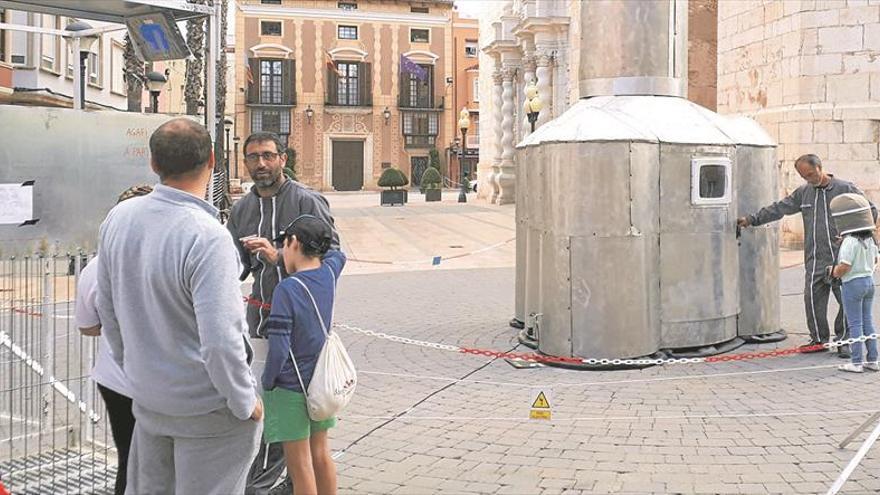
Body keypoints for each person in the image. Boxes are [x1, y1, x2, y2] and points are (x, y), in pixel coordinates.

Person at [96, 118, 262, 495]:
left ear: (153, 163)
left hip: (151, 401)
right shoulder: (207, 237)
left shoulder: (119, 219)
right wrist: (244, 402)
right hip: (208, 410)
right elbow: (221, 340)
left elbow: (109, 312)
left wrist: (137, 372)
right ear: (213, 161)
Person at [227, 132, 338, 494]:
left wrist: (280, 259)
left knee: (296, 419)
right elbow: (232, 266)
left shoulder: (307, 201)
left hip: (306, 332)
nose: (260, 164)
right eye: (253, 157)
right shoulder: (242, 209)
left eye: (268, 156)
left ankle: (267, 487)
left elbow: (333, 257)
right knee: (279, 419)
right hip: (261, 326)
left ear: (282, 159)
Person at [737, 154, 877, 357]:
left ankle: (844, 340)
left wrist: (856, 235)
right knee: (812, 301)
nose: (809, 179)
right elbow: (779, 209)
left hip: (842, 259)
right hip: (814, 260)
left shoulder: (845, 188)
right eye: (804, 176)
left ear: (820, 168)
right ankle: (818, 340)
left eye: (811, 174)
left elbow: (870, 210)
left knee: (846, 302)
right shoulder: (804, 193)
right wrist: (751, 219)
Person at [75, 184, 152, 495]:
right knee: (162, 462)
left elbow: (87, 326)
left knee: (129, 460)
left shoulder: (95, 267)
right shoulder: (167, 258)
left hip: (115, 378)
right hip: (159, 381)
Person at [261, 215, 345, 495]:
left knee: (299, 465)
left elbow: (279, 348)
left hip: (290, 387)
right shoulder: (329, 273)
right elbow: (339, 254)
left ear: (294, 242)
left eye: (284, 245)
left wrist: (267, 381)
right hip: (320, 382)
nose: (282, 253)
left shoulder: (287, 289)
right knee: (321, 453)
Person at [831, 228, 880, 373]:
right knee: (867, 321)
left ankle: (856, 362)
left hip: (852, 283)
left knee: (855, 323)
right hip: (869, 282)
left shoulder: (850, 241)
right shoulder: (870, 239)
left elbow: (844, 266)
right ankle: (873, 360)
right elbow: (876, 259)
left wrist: (833, 272)